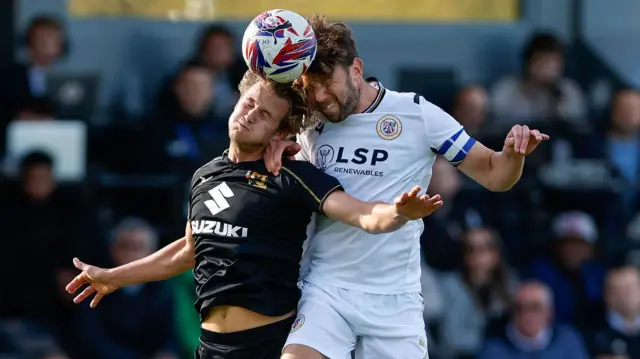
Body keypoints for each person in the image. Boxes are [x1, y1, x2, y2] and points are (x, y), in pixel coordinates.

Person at [65, 70, 443, 359]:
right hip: (211, 345)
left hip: (270, 343)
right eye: (248, 104)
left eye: (264, 115)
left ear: (278, 133)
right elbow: (189, 250)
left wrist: (398, 212)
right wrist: (114, 277)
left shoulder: (289, 174)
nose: (250, 115)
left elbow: (360, 214)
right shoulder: (204, 176)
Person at [263, 15, 549, 359]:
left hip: (394, 299)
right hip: (325, 288)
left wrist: (513, 156)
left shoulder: (417, 114)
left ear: (355, 68)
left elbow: (493, 174)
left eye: (327, 82)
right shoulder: (309, 124)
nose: (320, 96)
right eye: (310, 87)